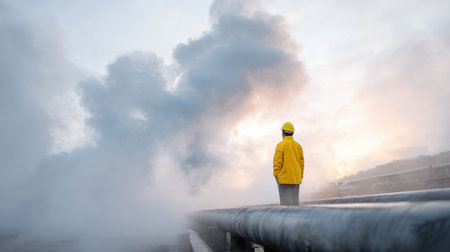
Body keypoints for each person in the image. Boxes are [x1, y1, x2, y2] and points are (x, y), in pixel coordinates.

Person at [273, 122, 304, 205]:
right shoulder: (298, 146)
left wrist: (276, 175)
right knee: (295, 203)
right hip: (296, 178)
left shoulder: (280, 145)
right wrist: (300, 176)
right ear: (292, 133)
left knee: (285, 205)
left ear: (283, 133)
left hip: (284, 178)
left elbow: (277, 162)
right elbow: (301, 163)